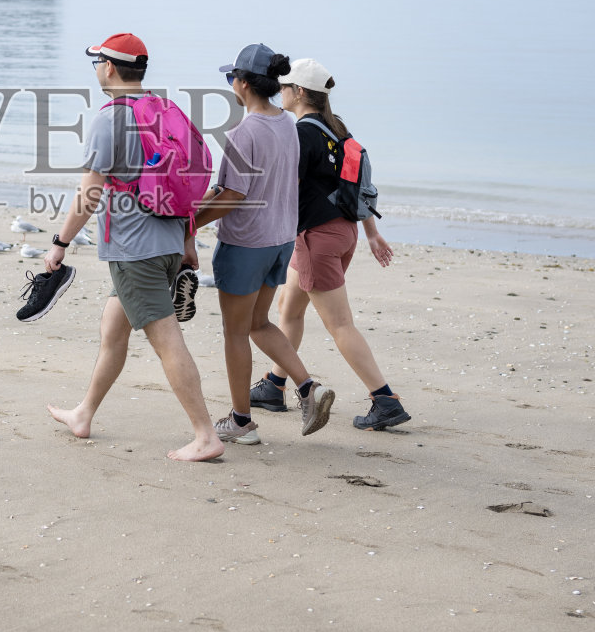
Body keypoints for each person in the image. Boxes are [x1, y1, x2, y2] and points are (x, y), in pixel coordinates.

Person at [44, 32, 225, 462]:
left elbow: (90, 192)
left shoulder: (110, 119)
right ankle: (83, 414)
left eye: (96, 63)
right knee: (113, 331)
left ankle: (205, 435)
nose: (95, 71)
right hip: (164, 243)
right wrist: (186, 241)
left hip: (133, 249)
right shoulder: (162, 112)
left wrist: (59, 243)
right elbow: (181, 181)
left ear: (108, 67)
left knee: (166, 339)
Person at [248, 57, 410, 431]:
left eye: (283, 87)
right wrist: (371, 232)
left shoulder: (302, 133)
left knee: (340, 325)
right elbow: (353, 188)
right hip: (342, 233)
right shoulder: (337, 130)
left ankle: (384, 399)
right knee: (289, 309)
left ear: (299, 92)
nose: (278, 93)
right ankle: (274, 385)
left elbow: (284, 188)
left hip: (316, 238)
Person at [193, 43, 334, 446]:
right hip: (279, 241)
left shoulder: (243, 132)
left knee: (236, 332)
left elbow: (232, 195)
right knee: (259, 323)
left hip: (246, 244)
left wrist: (190, 223)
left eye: (230, 78)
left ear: (242, 83)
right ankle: (308, 388)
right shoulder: (288, 125)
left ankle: (241, 422)